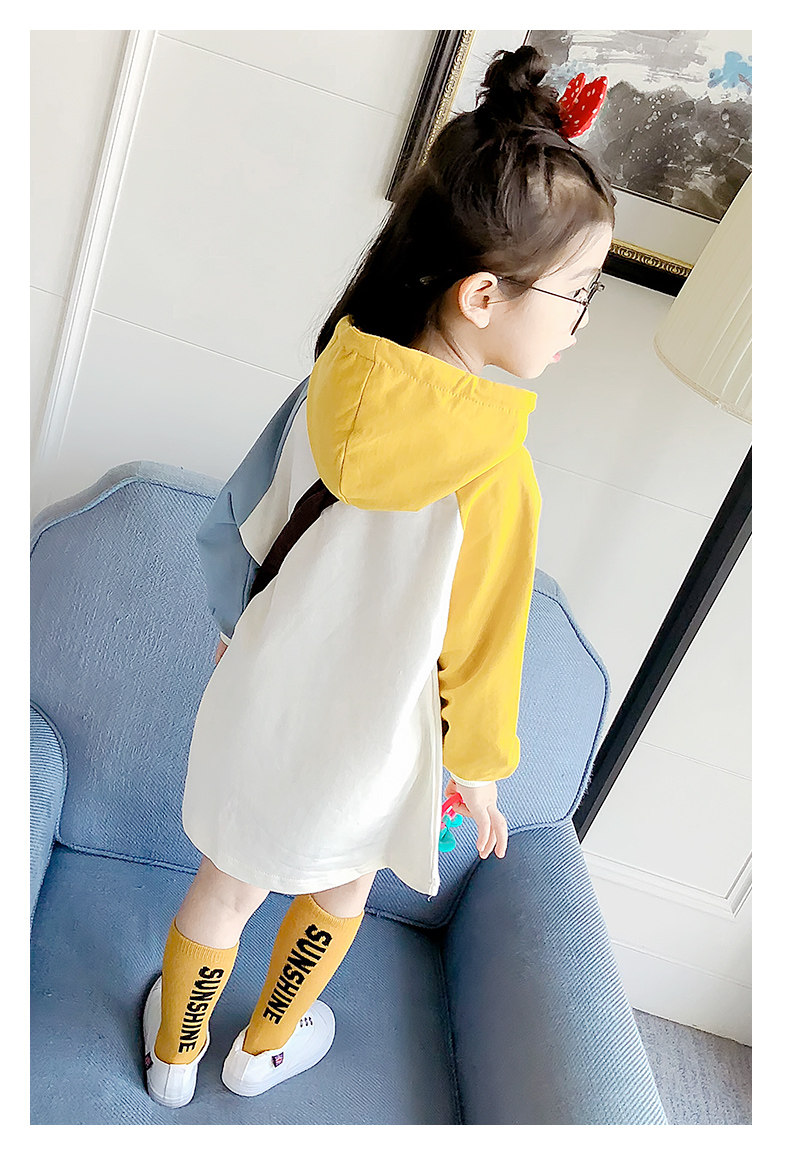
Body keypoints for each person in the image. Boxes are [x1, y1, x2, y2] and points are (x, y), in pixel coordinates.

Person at [142, 43, 616, 1109]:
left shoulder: (336, 369)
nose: (581, 322)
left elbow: (252, 509)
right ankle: (263, 1048)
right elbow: (484, 643)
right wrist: (480, 770)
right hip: (378, 735)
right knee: (341, 882)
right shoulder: (496, 467)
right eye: (577, 294)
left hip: (260, 689)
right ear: (484, 294)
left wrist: (235, 621)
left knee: (226, 881)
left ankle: (173, 1059)